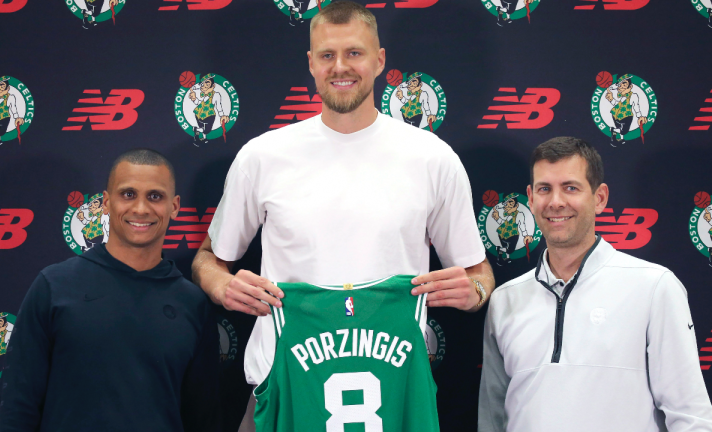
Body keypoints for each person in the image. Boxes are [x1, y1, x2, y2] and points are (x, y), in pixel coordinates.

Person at [191, 1, 494, 429]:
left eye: (354, 53)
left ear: (379, 60)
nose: (341, 67)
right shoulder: (263, 156)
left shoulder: (431, 158)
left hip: (392, 392)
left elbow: (479, 273)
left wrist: (475, 292)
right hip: (282, 388)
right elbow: (207, 258)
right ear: (311, 63)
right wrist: (221, 285)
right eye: (328, 55)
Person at [478, 137, 712, 432]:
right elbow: (492, 418)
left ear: (599, 198)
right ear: (531, 198)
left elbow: (691, 416)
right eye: (544, 189)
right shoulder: (505, 300)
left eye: (571, 188)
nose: (556, 202)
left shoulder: (655, 287)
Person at [0, 149, 220, 432]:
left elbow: (204, 418)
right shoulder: (54, 286)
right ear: (105, 202)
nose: (141, 209)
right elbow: (18, 407)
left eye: (155, 196)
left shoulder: (193, 304)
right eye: (128, 194)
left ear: (174, 206)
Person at [604, 74, 647, 147]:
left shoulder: (633, 96)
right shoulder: (619, 95)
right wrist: (611, 99)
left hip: (626, 116)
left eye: (624, 84)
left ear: (630, 86)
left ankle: (619, 137)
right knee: (621, 130)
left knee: (623, 131)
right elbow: (616, 104)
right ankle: (614, 131)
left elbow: (636, 106)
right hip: (615, 114)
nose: (621, 86)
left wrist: (640, 116)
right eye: (620, 85)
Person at [188, 74, 229, 145]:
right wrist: (194, 98)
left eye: (207, 84)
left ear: (213, 86)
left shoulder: (216, 95)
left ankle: (197, 130)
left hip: (209, 115)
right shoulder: (202, 94)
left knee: (207, 130)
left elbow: (218, 106)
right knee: (202, 128)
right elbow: (198, 103)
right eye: (203, 84)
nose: (204, 86)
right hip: (198, 113)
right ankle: (201, 138)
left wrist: (222, 115)